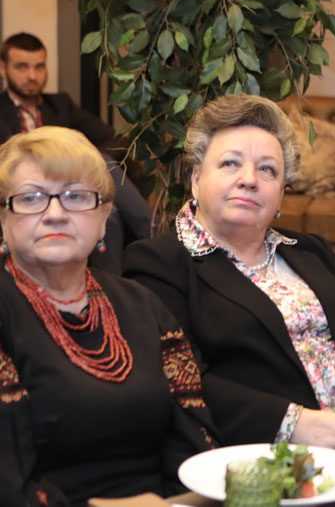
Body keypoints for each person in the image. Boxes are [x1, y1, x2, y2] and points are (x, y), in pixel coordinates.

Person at [124, 95, 335, 450]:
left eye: (267, 170)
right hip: (264, 460)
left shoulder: (311, 251)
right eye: (230, 163)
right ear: (197, 179)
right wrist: (290, 424)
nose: (249, 179)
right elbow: (176, 379)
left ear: (281, 194)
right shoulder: (159, 263)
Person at [0, 126, 214, 507]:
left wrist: (177, 503)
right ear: (3, 220)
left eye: (76, 197)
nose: (55, 214)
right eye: (31, 198)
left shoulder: (144, 305)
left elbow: (194, 437)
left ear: (103, 220)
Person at [0, 33, 150, 273]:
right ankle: (149, 236)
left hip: (71, 185)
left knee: (106, 190)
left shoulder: (59, 105)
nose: (32, 75)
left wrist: (82, 159)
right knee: (107, 200)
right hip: (24, 189)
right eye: (22, 67)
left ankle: (116, 278)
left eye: (39, 66)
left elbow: (109, 137)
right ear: (3, 68)